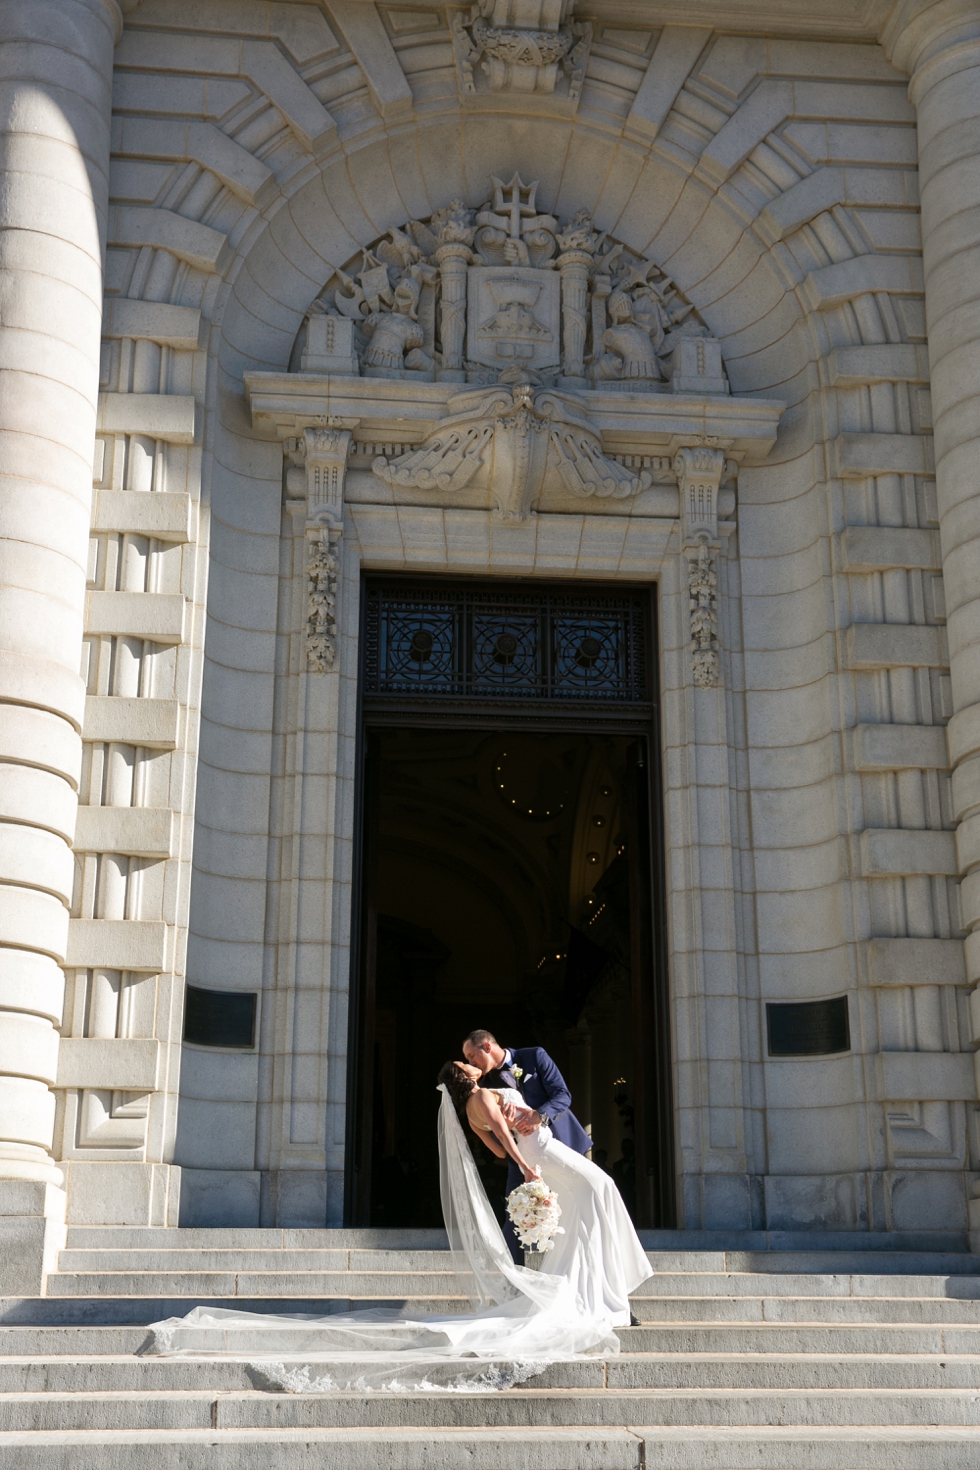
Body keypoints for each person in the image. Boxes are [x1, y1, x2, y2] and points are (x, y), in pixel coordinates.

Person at [440, 1058, 650, 1330]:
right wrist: (526, 1167)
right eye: (464, 1063)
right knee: (603, 1184)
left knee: (582, 1213)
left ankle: (592, 1294)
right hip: (539, 1148)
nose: (470, 1063)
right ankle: (607, 1290)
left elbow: (499, 1150)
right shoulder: (481, 1095)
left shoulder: (470, 1114)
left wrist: (513, 1125)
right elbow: (503, 1136)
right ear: (462, 1075)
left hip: (532, 1147)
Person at [462, 1028, 590, 1264]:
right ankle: (513, 1281)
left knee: (574, 1211)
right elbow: (498, 1132)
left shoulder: (534, 1056)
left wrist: (538, 1115)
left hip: (560, 1145)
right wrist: (506, 1120)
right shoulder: (485, 1085)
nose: (471, 1062)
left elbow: (563, 1095)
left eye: (472, 1055)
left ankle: (581, 1268)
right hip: (521, 1157)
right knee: (515, 1213)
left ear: (487, 1047)